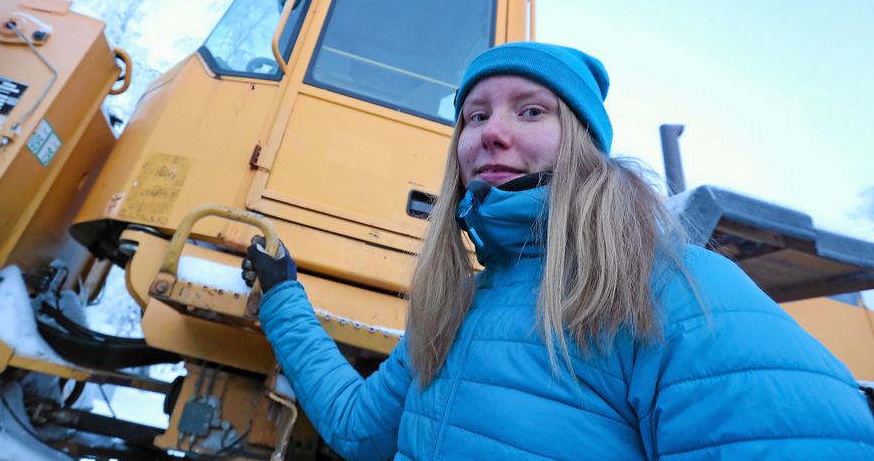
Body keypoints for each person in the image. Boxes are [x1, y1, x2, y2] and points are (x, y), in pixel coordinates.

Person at [243, 42, 874, 460]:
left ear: (582, 143)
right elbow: (359, 428)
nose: (491, 131)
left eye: (530, 110)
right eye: (473, 116)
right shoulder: (454, 306)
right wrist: (282, 299)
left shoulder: (674, 291)